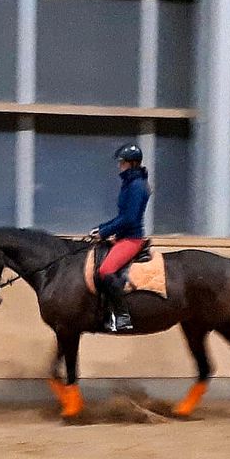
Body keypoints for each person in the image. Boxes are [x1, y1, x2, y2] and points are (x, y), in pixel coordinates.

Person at [90, 143, 151, 333]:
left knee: (106, 270)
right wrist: (101, 229)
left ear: (132, 164)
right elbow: (121, 216)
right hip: (122, 236)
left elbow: (129, 218)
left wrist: (105, 232)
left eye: (122, 162)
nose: (120, 166)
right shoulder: (129, 183)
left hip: (132, 239)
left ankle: (123, 316)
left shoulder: (137, 186)